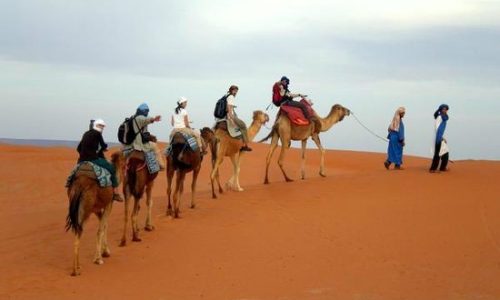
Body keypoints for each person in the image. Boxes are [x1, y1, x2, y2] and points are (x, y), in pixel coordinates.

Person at [77, 119, 123, 201]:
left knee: (75, 173)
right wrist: (104, 148)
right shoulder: (98, 134)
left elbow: (78, 148)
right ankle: (116, 193)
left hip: (81, 160)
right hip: (93, 159)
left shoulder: (86, 134)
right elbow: (104, 146)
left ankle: (69, 183)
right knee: (111, 169)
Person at [124, 103, 164, 170]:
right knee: (154, 146)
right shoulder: (140, 118)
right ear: (143, 111)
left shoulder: (132, 118)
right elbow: (146, 119)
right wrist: (153, 119)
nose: (147, 113)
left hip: (129, 144)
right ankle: (158, 166)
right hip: (138, 144)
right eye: (146, 111)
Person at [219, 85, 252, 152]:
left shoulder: (227, 96)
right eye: (234, 91)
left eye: (236, 91)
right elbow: (229, 108)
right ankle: (245, 145)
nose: (236, 92)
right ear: (231, 90)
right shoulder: (231, 97)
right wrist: (231, 119)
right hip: (230, 116)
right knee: (243, 126)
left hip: (227, 116)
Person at [429, 104, 450, 173]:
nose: (445, 110)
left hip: (440, 137)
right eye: (443, 109)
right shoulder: (439, 117)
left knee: (444, 152)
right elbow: (437, 128)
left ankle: (442, 167)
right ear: (440, 110)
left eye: (446, 109)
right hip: (438, 138)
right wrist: (441, 138)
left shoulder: (443, 117)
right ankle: (433, 169)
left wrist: (442, 137)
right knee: (438, 153)